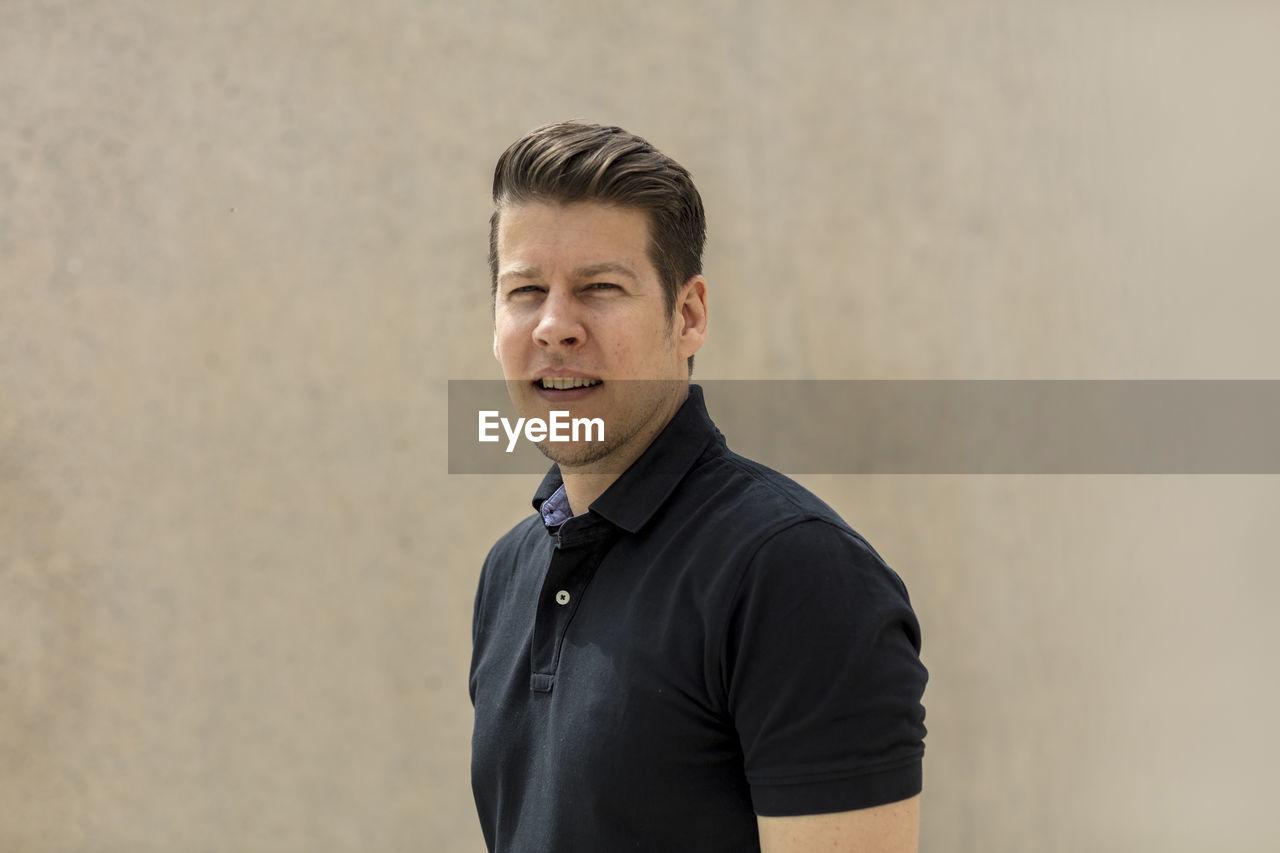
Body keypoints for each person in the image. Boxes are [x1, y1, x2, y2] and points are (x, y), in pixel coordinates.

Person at [469, 120, 928, 852]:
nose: (555, 325)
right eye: (525, 290)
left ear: (687, 316)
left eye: (600, 288)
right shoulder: (510, 570)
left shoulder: (793, 572)